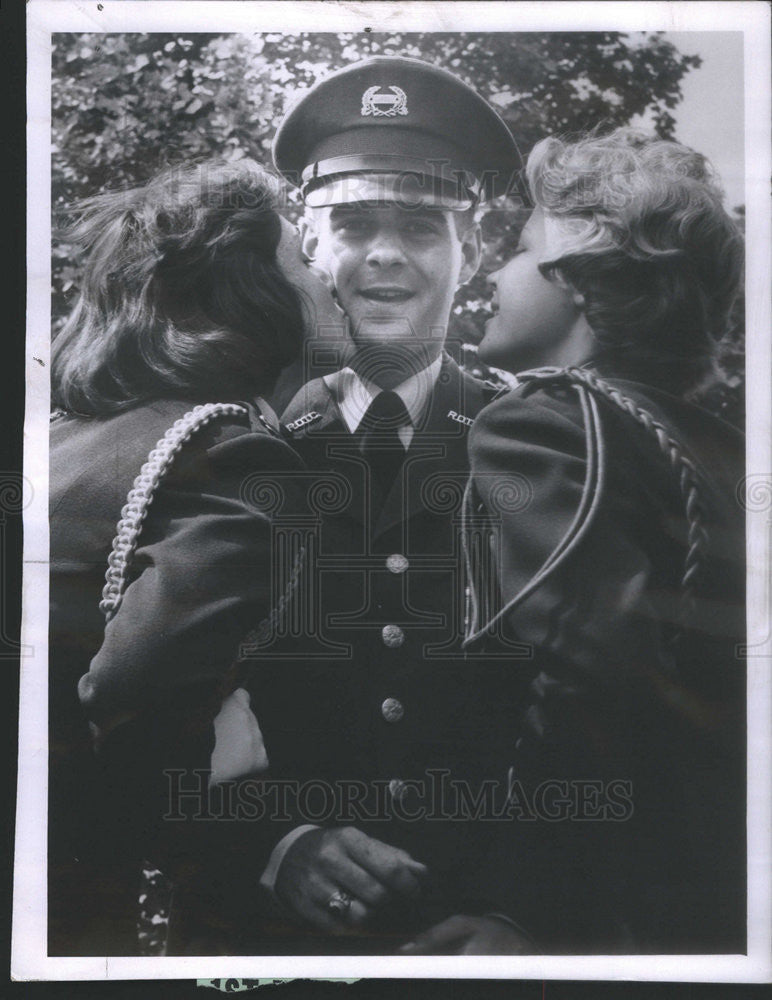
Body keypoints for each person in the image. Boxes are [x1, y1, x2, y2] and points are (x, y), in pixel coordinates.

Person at [220, 55, 539, 956]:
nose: (387, 253)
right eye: (355, 224)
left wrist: (523, 911)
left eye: (422, 226)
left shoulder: (539, 441)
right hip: (266, 943)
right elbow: (162, 704)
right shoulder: (235, 444)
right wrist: (275, 845)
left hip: (484, 932)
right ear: (310, 243)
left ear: (470, 248)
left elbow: (597, 707)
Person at [49, 158, 344, 955]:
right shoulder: (229, 455)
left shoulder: (68, 440)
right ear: (252, 296)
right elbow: (136, 695)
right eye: (305, 264)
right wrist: (224, 756)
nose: (330, 283)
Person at [464, 127, 746, 952]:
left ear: (581, 271)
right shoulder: (723, 446)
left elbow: (589, 673)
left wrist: (523, 907)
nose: (490, 272)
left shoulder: (543, 422)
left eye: (517, 251)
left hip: (619, 910)